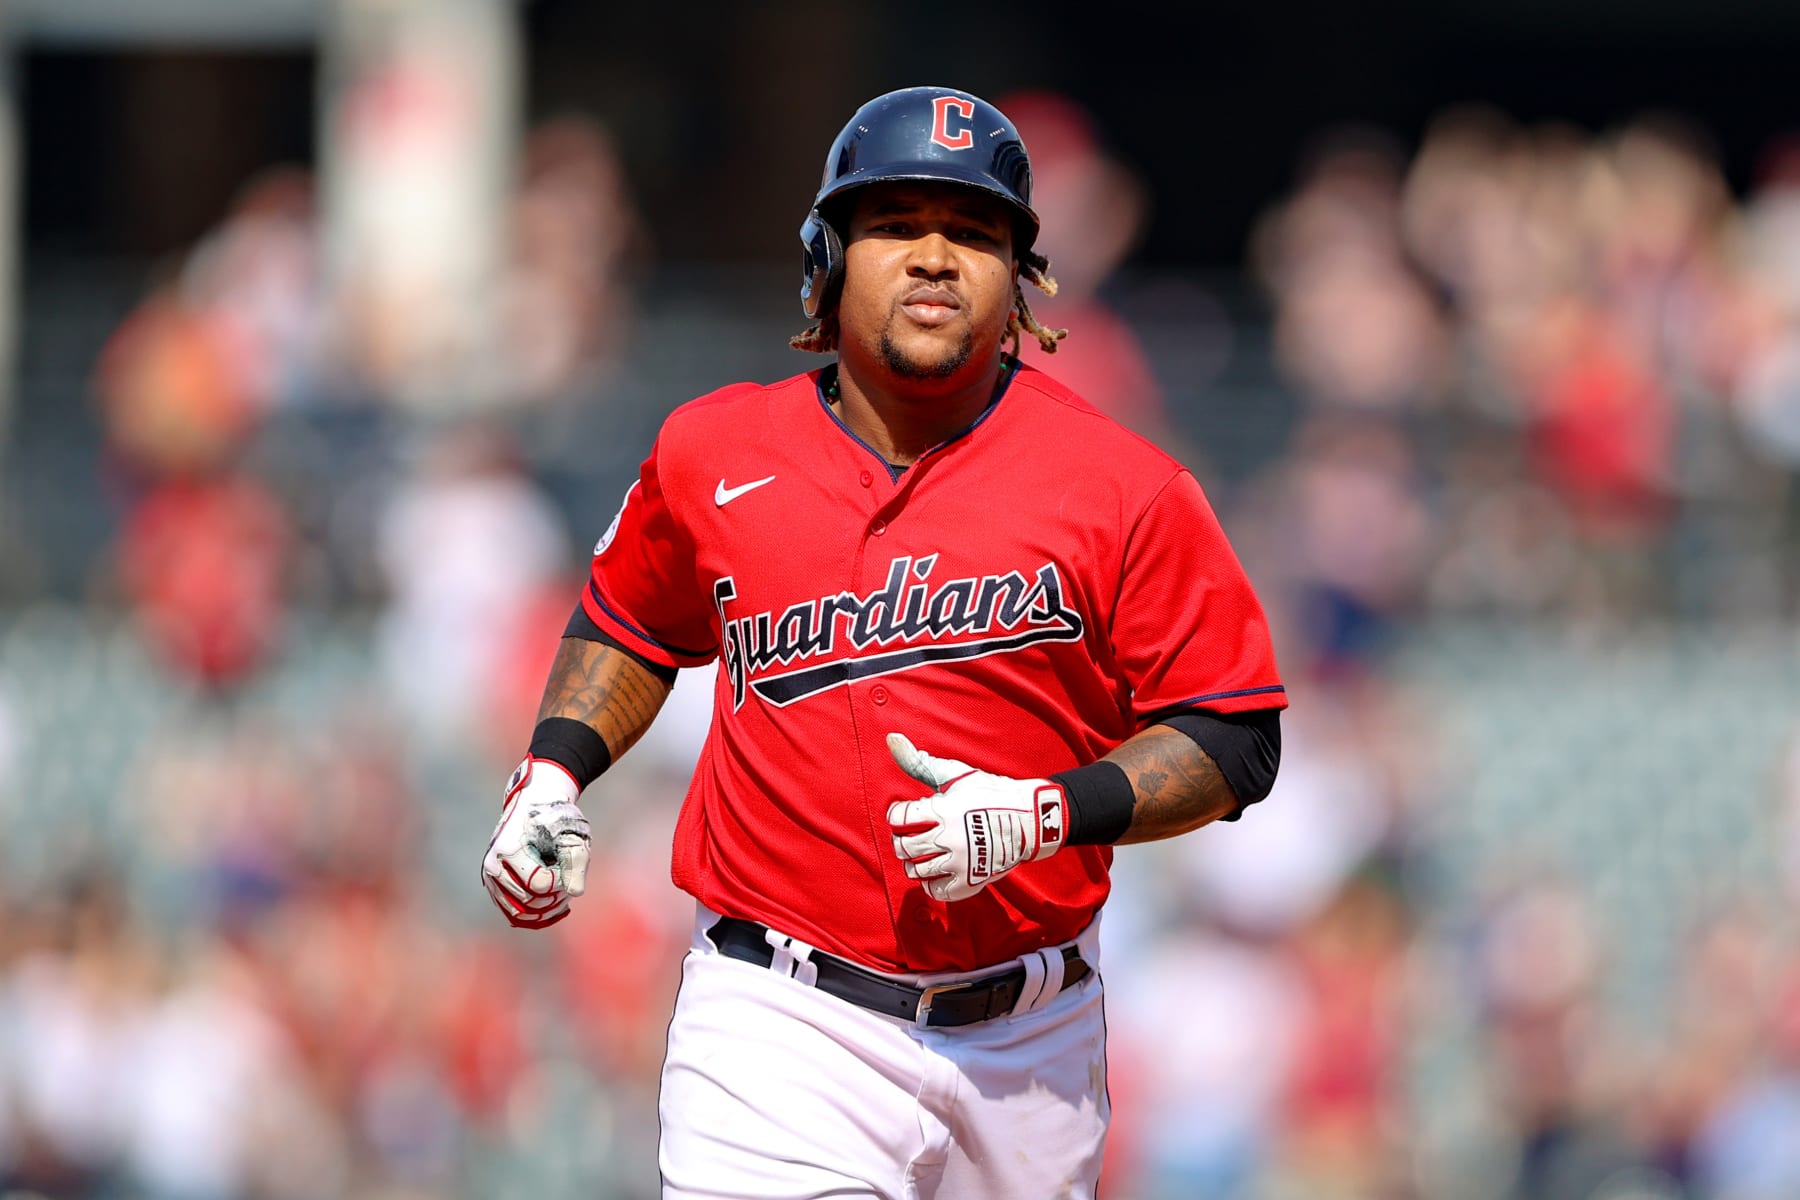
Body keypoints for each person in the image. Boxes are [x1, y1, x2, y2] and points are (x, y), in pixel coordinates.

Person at [480, 85, 1287, 1199]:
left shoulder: (1123, 486)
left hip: (1029, 1045)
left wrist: (1049, 810)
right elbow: (630, 621)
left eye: (973, 231)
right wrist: (551, 773)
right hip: (780, 1019)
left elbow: (1237, 732)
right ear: (829, 255)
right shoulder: (714, 451)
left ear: (1022, 280)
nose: (936, 256)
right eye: (898, 223)